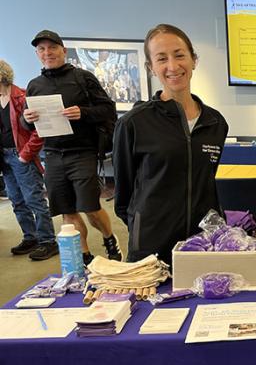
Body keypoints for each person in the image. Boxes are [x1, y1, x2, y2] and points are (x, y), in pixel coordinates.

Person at [113, 24, 229, 264]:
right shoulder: (133, 123)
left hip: (202, 244)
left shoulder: (215, 122)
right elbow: (123, 197)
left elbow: (206, 182)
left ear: (194, 60)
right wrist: (145, 226)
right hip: (151, 248)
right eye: (162, 58)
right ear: (151, 67)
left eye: (179, 55)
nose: (173, 66)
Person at [23, 30, 122, 264]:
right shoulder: (34, 85)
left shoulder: (82, 78)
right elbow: (25, 124)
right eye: (42, 49)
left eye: (52, 47)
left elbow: (108, 109)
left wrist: (83, 112)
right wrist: (26, 119)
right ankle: (85, 257)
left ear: (63, 50)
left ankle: (109, 238)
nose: (48, 53)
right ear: (37, 54)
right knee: (67, 211)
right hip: (53, 155)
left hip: (83, 153)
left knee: (89, 207)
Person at [0, 59, 57, 260]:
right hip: (4, 158)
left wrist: (25, 154)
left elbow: (39, 131)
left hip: (21, 155)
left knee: (34, 199)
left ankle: (48, 241)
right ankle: (30, 236)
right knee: (16, 200)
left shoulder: (22, 97)